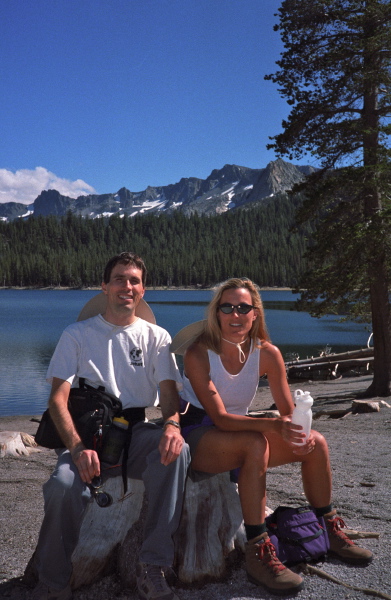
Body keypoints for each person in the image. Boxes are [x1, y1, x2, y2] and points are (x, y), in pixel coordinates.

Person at [175, 277, 373, 596]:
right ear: (216, 313)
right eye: (227, 307)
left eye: (243, 307)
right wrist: (272, 425)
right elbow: (221, 418)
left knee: (317, 444)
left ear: (255, 314)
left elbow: (287, 410)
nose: (235, 314)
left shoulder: (267, 353)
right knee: (255, 444)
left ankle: (330, 527)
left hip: (240, 430)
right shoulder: (198, 353)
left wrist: (299, 430)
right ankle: (259, 549)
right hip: (201, 435)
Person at [32, 252, 190, 600]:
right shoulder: (77, 334)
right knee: (61, 485)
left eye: (134, 280)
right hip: (88, 436)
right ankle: (53, 583)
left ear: (143, 289)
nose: (127, 286)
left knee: (178, 453)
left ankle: (152, 566)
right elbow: (57, 400)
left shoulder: (157, 337)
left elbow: (168, 396)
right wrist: (75, 448)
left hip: (136, 433)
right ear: (104, 286)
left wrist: (173, 425)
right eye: (119, 279)